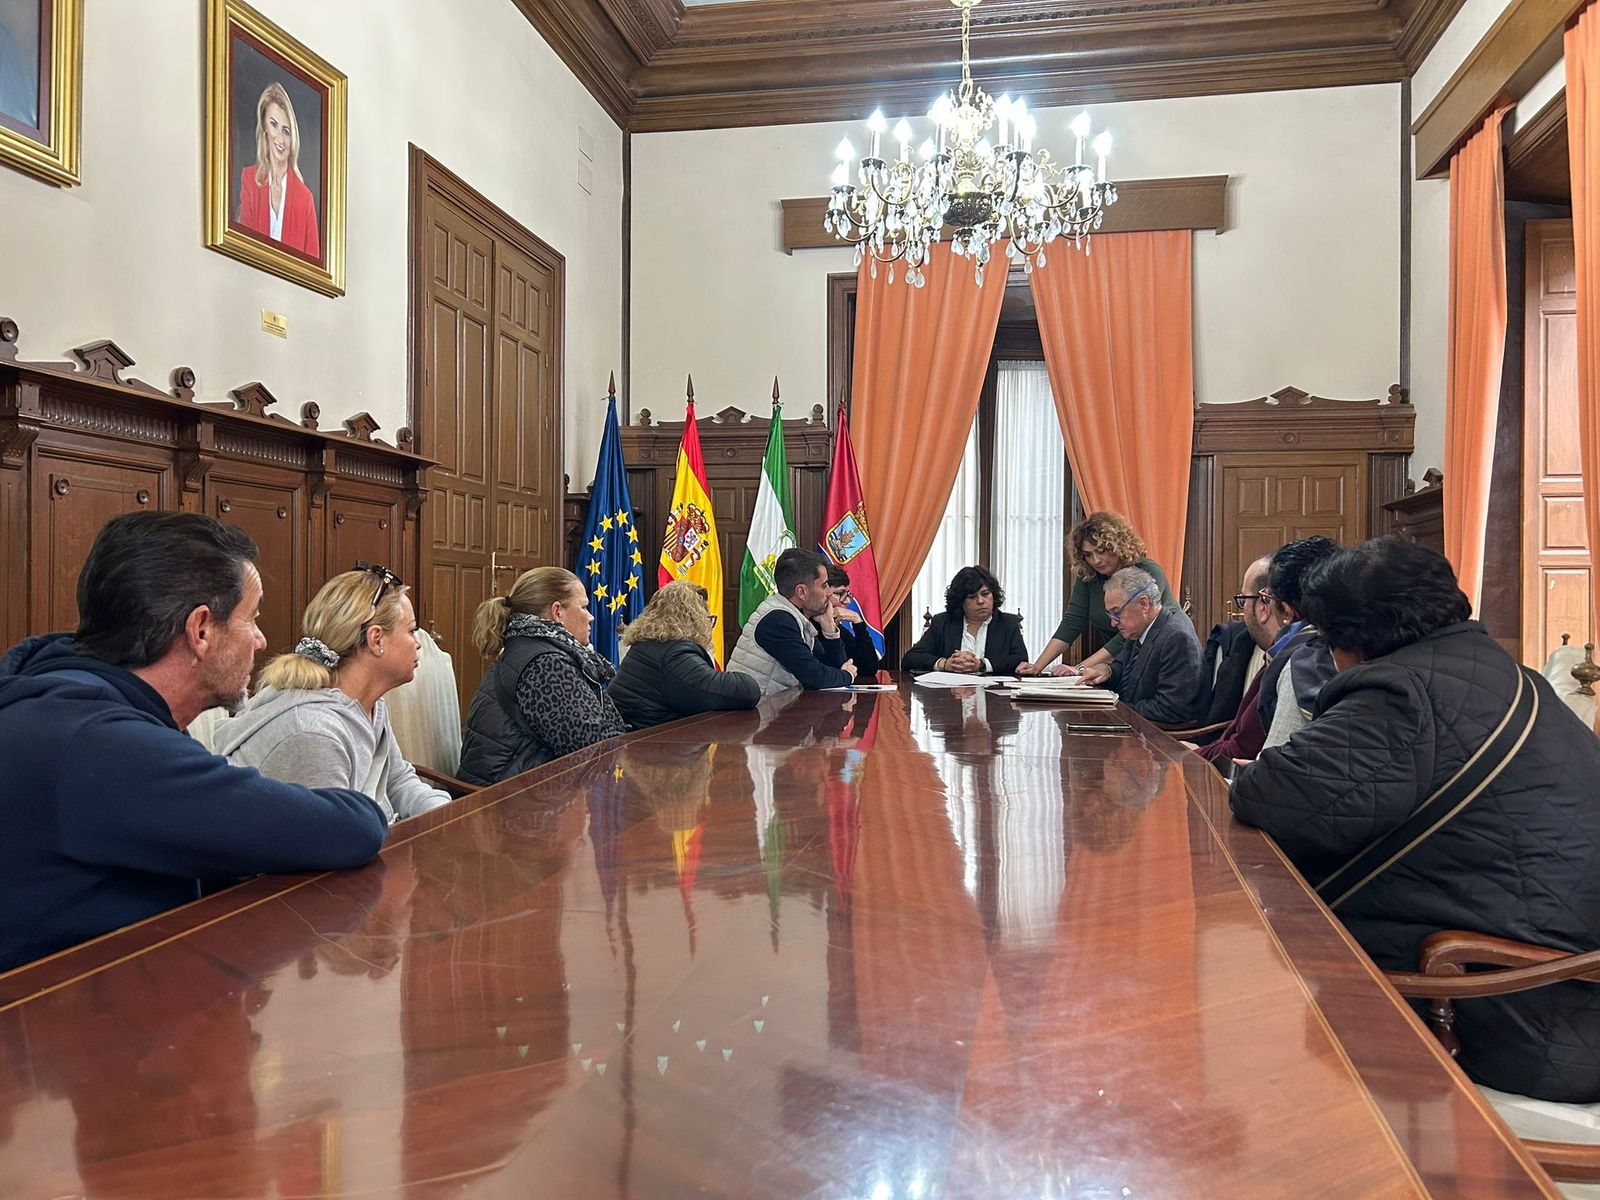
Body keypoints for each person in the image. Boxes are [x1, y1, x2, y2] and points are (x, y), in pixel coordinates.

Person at [1231, 538, 1600, 1103]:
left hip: (1516, 1013)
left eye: (1328, 641)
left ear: (1352, 638)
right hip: (1560, 988)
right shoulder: (1505, 675)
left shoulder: (1401, 694)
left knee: (1241, 989)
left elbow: (1273, 793)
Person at [0, 512, 389, 973]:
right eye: (253, 617)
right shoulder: (100, 744)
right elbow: (351, 828)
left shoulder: (65, 697)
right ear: (201, 630)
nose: (261, 640)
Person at [205, 566, 452, 824]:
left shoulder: (370, 705)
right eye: (411, 630)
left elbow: (399, 781)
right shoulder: (314, 732)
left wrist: (446, 816)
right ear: (376, 639)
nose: (419, 642)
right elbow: (328, 843)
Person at [458, 567, 627, 786]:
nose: (591, 617)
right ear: (557, 612)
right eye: (584, 607)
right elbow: (591, 750)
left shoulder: (531, 646)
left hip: (520, 788)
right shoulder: (546, 664)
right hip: (506, 800)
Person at [1018, 511, 1182, 683]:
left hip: (1163, 654)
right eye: (1088, 555)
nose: (1096, 560)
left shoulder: (1147, 571)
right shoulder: (1089, 575)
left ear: (1118, 545)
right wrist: (1038, 666)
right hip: (1121, 663)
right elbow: (1072, 622)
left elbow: (1124, 637)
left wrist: (1079, 669)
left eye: (1102, 551)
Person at [607, 580, 760, 729]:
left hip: (637, 739)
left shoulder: (649, 645)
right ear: (694, 619)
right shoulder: (675, 654)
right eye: (707, 618)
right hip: (648, 745)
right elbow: (746, 691)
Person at [1190, 555, 1282, 765]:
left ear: (1264, 605)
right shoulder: (1254, 648)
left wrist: (1190, 755)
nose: (1242, 611)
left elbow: (1241, 749)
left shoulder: (1286, 662)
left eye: (1243, 600)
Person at [726, 548, 856, 695]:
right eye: (824, 585)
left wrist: (829, 629)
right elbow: (814, 677)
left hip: (771, 709)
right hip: (751, 713)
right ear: (801, 592)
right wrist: (847, 675)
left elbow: (831, 668)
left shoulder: (796, 616)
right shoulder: (777, 620)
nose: (829, 593)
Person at [1255, 536, 1340, 748]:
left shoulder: (1303, 664)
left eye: (1267, 598)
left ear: (1288, 611)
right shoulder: (1372, 642)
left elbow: (1275, 764)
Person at [1101, 566, 1203, 723]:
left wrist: (1114, 711)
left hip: (1158, 739)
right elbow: (1123, 668)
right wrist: (1105, 671)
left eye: (1117, 613)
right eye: (1110, 614)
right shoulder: (1140, 630)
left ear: (1144, 604)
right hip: (1134, 728)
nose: (1113, 622)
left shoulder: (1177, 638)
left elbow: (1170, 709)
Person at [237, 81, 320, 259]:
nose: (280, 139)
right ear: (265, 128)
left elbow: (312, 272)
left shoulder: (305, 199)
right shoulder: (249, 180)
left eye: (286, 131)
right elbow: (243, 251)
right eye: (274, 124)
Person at [902, 565, 1029, 676]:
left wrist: (981, 665)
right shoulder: (943, 622)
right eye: (972, 597)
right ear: (960, 601)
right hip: (949, 697)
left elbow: (1020, 660)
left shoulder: (1007, 623)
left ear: (993, 595)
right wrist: (945, 664)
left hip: (993, 698)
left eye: (985, 594)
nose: (980, 601)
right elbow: (911, 659)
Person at [826, 564, 881, 677]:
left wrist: (858, 622)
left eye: (847, 594)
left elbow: (868, 668)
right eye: (840, 594)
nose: (846, 601)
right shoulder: (807, 626)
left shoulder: (841, 630)